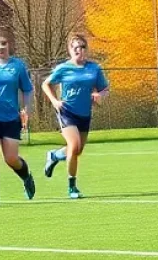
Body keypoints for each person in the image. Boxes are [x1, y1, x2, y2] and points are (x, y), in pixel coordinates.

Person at [41, 33, 109, 199]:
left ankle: (54, 155)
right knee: (74, 144)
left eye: (82, 46)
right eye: (75, 47)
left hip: (84, 114)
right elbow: (46, 84)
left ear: (86, 49)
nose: (79, 50)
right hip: (67, 112)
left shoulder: (94, 69)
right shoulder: (64, 68)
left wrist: (100, 96)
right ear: (70, 50)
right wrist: (55, 101)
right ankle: (72, 187)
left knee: (77, 150)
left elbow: (105, 89)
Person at [0, 25, 36, 206]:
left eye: (4, 43)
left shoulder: (17, 66)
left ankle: (26, 176)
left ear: (9, 45)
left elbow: (27, 89)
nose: (1, 47)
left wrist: (27, 110)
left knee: (11, 159)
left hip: (11, 118)